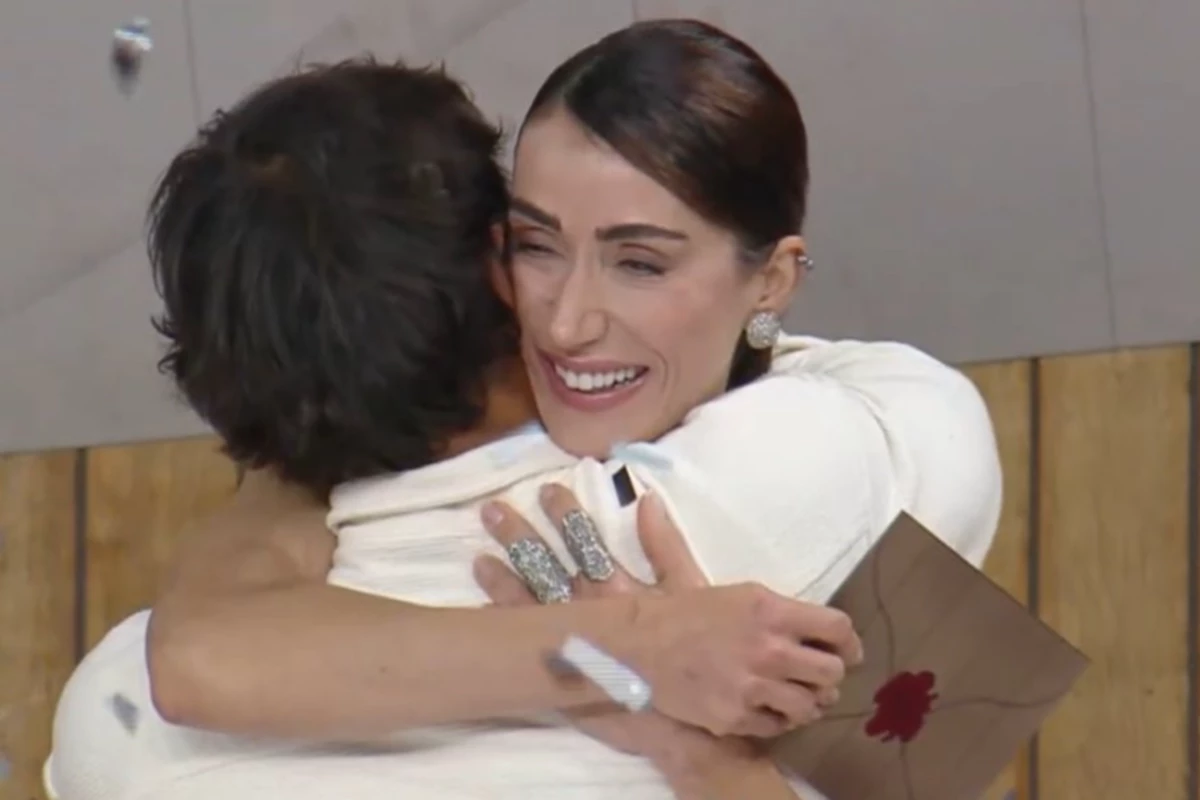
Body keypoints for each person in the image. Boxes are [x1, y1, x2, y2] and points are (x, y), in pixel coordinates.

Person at [45, 19, 1001, 800]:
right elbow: (935, 763)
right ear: (488, 276)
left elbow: (196, 658)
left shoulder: (122, 719)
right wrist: (647, 686)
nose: (571, 318)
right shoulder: (857, 445)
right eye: (537, 245)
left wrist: (295, 443)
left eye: (638, 260)